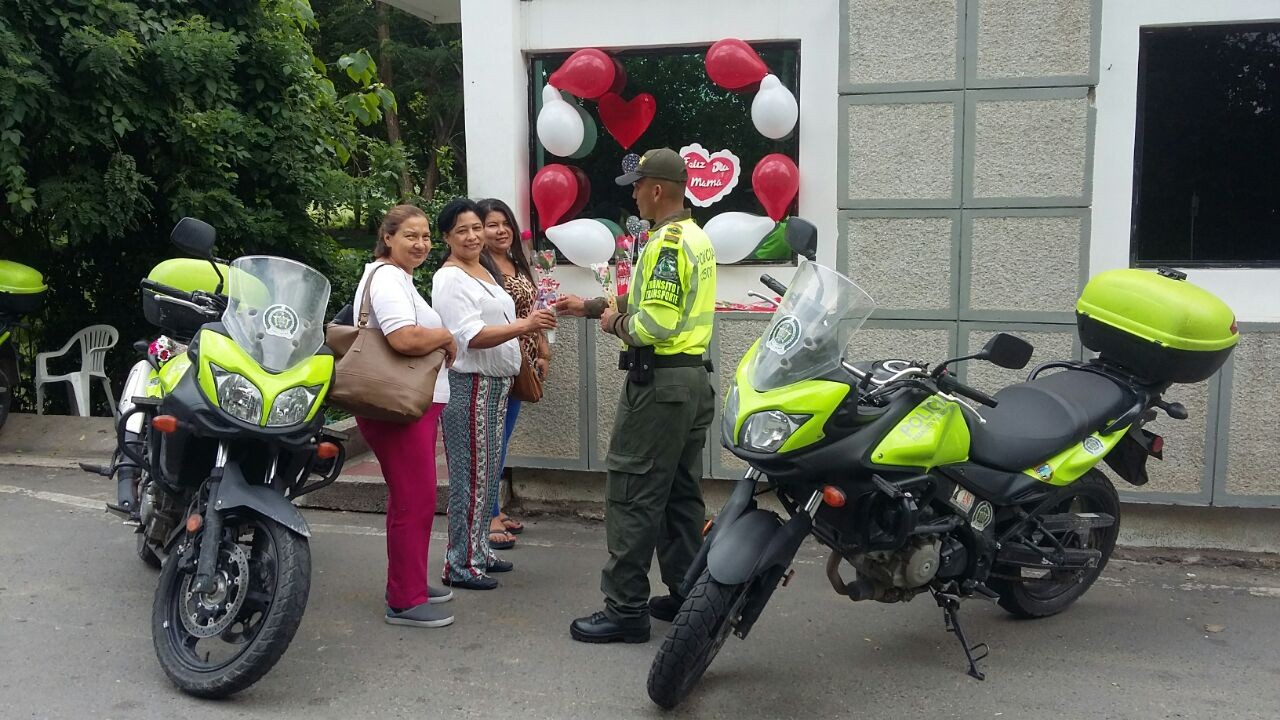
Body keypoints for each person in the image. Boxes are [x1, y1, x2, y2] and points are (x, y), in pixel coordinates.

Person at [557, 148, 718, 643]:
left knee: (631, 492)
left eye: (635, 184)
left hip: (661, 386)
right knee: (677, 495)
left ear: (655, 189)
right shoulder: (692, 236)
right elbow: (650, 299)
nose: (631, 192)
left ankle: (625, 610)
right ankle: (689, 594)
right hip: (690, 383)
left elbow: (654, 322)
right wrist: (590, 305)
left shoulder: (666, 244)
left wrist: (612, 323)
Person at [432, 198, 557, 590]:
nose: (473, 236)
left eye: (476, 228)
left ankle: (478, 552)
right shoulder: (450, 278)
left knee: (486, 474)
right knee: (470, 476)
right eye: (463, 230)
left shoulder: (481, 269)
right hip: (470, 385)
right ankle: (459, 563)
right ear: (448, 237)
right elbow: (470, 336)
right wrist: (526, 325)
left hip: (496, 384)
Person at [353, 204, 459, 628]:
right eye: (411, 236)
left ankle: (409, 581)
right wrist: (446, 336)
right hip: (399, 407)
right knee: (415, 499)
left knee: (413, 498)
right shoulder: (387, 278)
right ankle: (404, 600)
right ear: (389, 237)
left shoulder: (397, 278)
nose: (421, 244)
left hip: (411, 405)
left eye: (426, 237)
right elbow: (402, 336)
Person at [478, 198, 549, 550]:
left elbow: (534, 309)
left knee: (502, 440)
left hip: (523, 365)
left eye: (505, 223)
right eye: (492, 224)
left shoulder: (517, 262)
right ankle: (489, 515)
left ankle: (494, 508)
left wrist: (545, 350)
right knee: (493, 442)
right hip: (499, 364)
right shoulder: (481, 268)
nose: (501, 230)